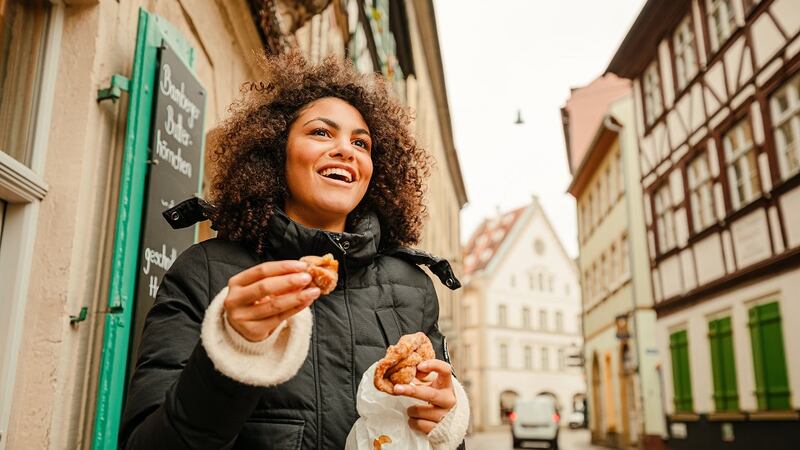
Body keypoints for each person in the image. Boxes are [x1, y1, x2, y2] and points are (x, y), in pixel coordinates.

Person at [119, 51, 469, 450]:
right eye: (321, 133)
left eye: (361, 142)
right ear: (275, 152)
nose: (346, 150)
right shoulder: (204, 271)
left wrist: (444, 424)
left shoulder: (412, 287)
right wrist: (236, 350)